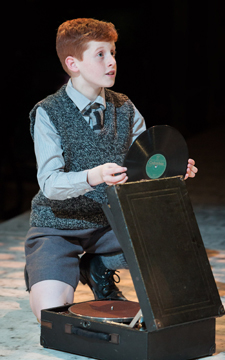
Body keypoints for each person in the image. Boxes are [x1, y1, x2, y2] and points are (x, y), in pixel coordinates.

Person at [24, 18, 198, 322]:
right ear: (73, 63)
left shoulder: (125, 108)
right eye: (100, 54)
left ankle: (99, 266)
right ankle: (50, 267)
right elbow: (49, 184)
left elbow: (145, 167)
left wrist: (173, 171)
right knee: (50, 316)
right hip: (59, 227)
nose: (112, 62)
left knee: (167, 235)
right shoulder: (48, 112)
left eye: (113, 53)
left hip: (110, 223)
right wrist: (95, 175)